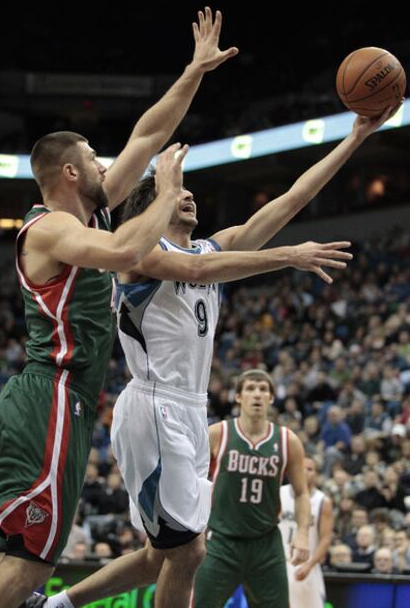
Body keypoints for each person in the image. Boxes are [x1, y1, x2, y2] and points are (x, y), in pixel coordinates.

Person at [31, 103, 397, 608]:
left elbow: (291, 200)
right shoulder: (140, 258)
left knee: (161, 555)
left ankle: (54, 605)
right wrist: (288, 256)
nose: (188, 197)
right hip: (155, 405)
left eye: (189, 192)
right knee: (189, 552)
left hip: (188, 409)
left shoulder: (211, 248)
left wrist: (355, 137)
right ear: (153, 204)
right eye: (178, 191)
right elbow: (200, 274)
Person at [0, 6, 239, 608]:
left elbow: (148, 136)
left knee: (24, 557)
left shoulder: (89, 213)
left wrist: (194, 71)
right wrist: (165, 190)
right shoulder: (51, 228)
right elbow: (130, 246)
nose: (110, 168)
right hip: (50, 394)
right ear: (73, 171)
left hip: (66, 400)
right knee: (28, 565)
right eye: (97, 162)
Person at [192, 369, 310, 607]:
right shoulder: (217, 434)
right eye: (250, 389)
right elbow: (191, 482)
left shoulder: (288, 441)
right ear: (238, 397)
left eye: (263, 389)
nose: (257, 394)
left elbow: (301, 492)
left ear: (271, 398)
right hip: (221, 540)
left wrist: (302, 534)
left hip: (266, 542)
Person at [279, 456, 334, 608]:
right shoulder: (279, 493)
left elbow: (325, 539)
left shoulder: (323, 501)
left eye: (310, 469)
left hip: (306, 564)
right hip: (279, 561)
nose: (305, 471)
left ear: (316, 474)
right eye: (301, 467)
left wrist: (310, 564)